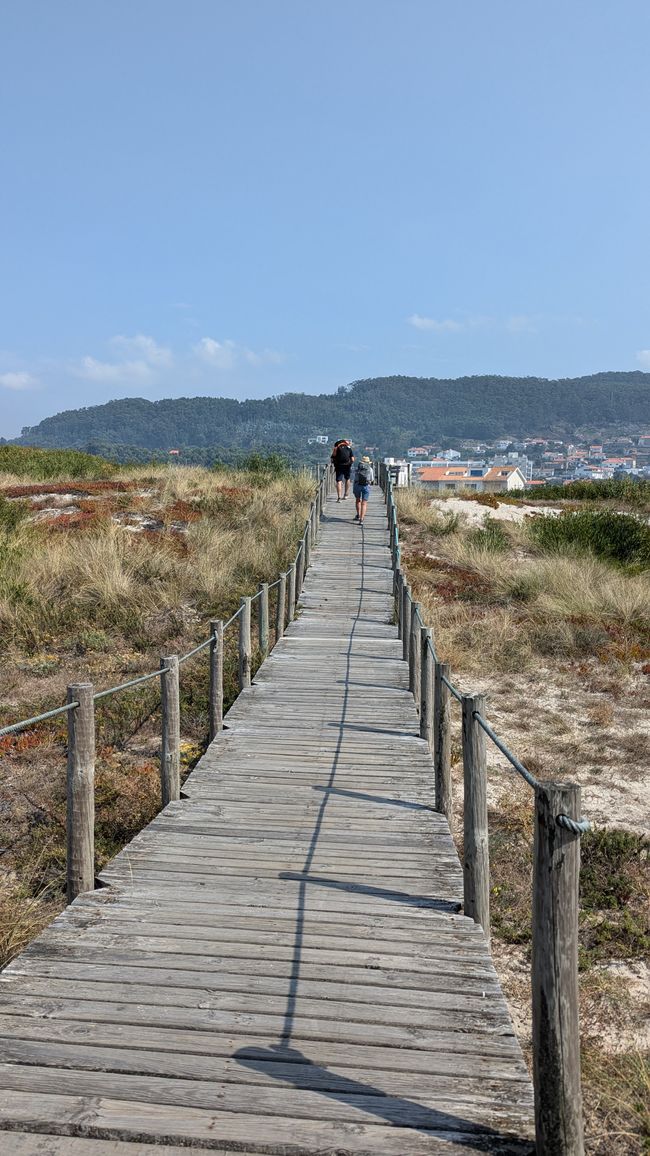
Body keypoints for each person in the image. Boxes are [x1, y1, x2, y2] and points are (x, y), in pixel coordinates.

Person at [352, 456, 374, 525]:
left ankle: (358, 515)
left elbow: (355, 477)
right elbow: (372, 479)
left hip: (357, 485)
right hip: (366, 486)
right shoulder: (370, 469)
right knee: (364, 503)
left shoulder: (358, 468)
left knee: (358, 500)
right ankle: (361, 519)